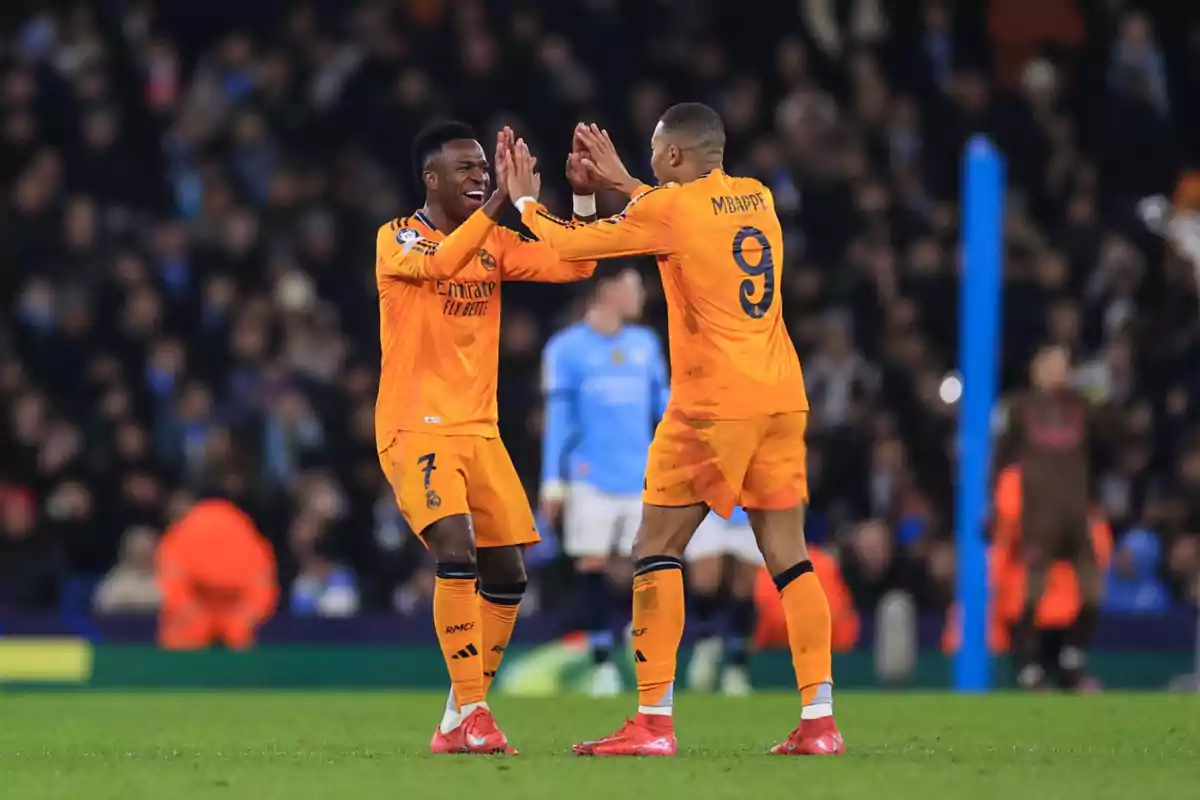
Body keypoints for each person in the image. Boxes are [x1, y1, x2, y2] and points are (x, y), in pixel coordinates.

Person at [503, 106, 843, 756]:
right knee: (789, 557)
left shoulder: (670, 210)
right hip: (780, 397)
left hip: (713, 404)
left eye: (658, 155)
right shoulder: (758, 198)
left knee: (655, 546)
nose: (651, 165)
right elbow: (682, 215)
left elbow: (573, 244)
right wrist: (627, 182)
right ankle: (819, 720)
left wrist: (526, 201)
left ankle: (653, 723)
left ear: (678, 157)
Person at [374, 121, 596, 755]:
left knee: (508, 572)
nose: (478, 176)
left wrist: (577, 202)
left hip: (479, 429)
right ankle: (474, 710)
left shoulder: (496, 242)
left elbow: (575, 263)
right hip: (415, 427)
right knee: (456, 545)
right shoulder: (397, 239)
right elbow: (444, 262)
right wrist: (504, 199)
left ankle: (456, 718)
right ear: (431, 178)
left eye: (483, 167)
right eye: (466, 168)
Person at [541, 267, 668, 696]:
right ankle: (602, 666)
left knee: (648, 569)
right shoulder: (565, 349)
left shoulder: (646, 345)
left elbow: (663, 410)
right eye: (633, 288)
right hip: (588, 475)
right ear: (608, 291)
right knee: (591, 565)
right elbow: (558, 419)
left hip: (641, 476)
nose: (641, 297)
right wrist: (551, 481)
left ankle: (642, 652)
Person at [996, 345, 1102, 690]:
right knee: (1032, 593)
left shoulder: (1082, 407)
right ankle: (1029, 665)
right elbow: (1000, 457)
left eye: (1062, 365)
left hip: (1075, 510)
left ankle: (1072, 654)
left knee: (1092, 590)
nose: (1058, 372)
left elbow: (1111, 437)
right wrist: (996, 504)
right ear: (1035, 370)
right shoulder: (1019, 408)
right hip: (1037, 514)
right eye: (1051, 365)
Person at [684, 506, 761, 696]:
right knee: (704, 584)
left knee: (743, 589)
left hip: (755, 505)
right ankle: (706, 644)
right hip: (708, 501)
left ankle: (737, 666)